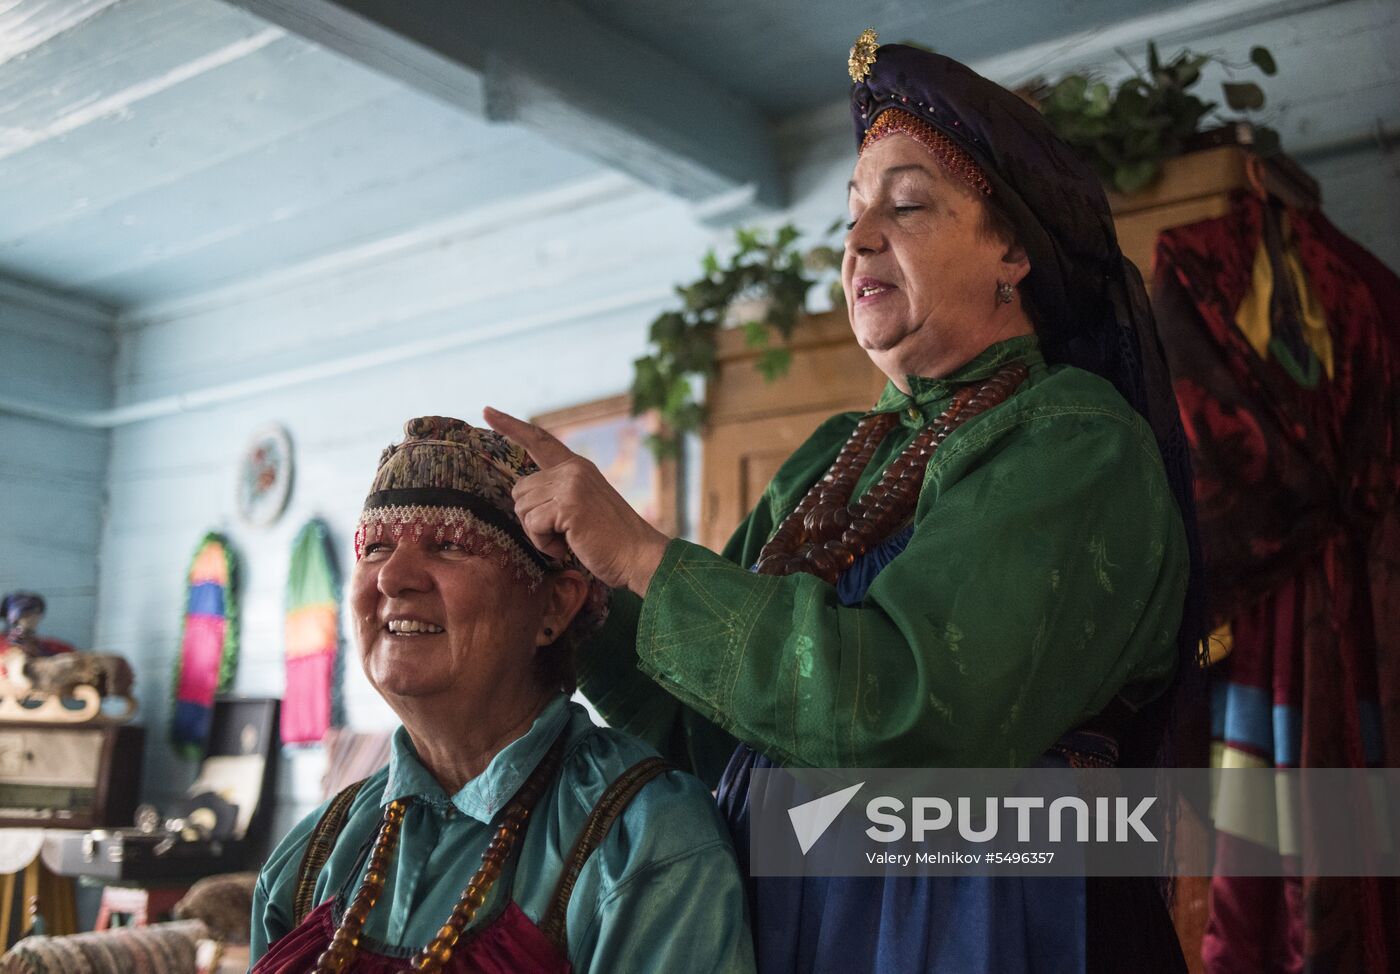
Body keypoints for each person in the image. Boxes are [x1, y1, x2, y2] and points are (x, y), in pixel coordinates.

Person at [485, 30, 1205, 974]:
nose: (860, 237)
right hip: (796, 913)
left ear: (1013, 252)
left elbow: (918, 710)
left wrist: (642, 557)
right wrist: (583, 589)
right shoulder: (836, 455)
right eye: (854, 212)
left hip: (985, 916)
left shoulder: (1074, 438)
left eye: (907, 203)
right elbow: (702, 725)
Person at [249, 416, 755, 973]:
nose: (393, 578)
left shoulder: (645, 839)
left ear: (555, 607)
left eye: (448, 545)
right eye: (375, 547)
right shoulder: (308, 857)